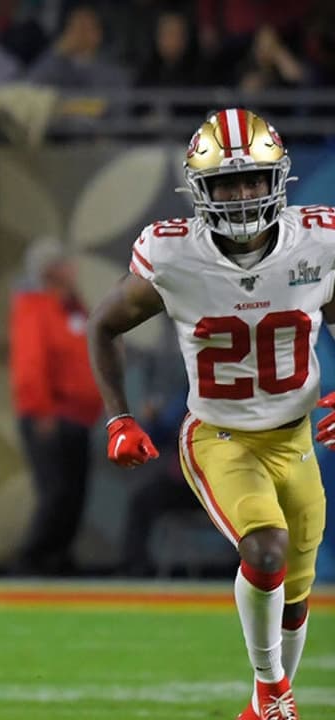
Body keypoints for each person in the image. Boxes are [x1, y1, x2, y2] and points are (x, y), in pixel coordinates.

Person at [87, 108, 327, 720]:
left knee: (296, 594)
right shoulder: (174, 255)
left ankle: (263, 706)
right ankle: (272, 693)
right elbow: (104, 324)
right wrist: (118, 417)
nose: (242, 195)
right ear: (200, 190)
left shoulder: (317, 243)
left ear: (277, 179)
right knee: (266, 550)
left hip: (294, 436)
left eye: (252, 180)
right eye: (227, 183)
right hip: (220, 435)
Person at [8, 239, 101, 575]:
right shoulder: (36, 308)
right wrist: (41, 411)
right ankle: (32, 559)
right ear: (51, 270)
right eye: (66, 263)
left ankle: (58, 557)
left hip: (79, 418)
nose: (74, 269)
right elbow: (30, 364)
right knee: (56, 492)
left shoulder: (73, 308)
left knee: (75, 493)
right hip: (52, 416)